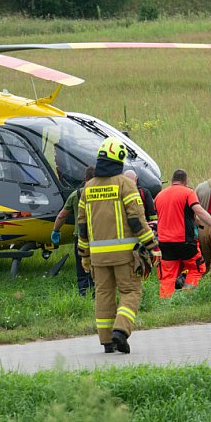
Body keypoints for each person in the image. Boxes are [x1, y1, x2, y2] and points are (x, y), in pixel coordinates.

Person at [77, 137, 157, 354]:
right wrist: (151, 245)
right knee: (131, 291)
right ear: (119, 160)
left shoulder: (88, 188)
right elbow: (136, 220)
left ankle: (106, 341)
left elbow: (82, 227)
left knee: (103, 295)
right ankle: (120, 331)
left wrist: (84, 256)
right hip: (124, 256)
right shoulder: (125, 184)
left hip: (98, 257)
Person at [154, 169, 211, 299]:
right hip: (185, 242)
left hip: (164, 243)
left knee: (168, 275)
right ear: (185, 181)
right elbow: (199, 210)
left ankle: (165, 303)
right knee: (196, 268)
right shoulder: (188, 192)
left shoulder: (160, 195)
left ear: (172, 181)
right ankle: (186, 298)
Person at [51, 165, 96, 296]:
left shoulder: (76, 194)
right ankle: (96, 293)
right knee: (97, 266)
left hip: (80, 236)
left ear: (84, 178)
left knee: (82, 266)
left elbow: (62, 215)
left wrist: (56, 230)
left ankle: (83, 294)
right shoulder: (101, 193)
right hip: (98, 236)